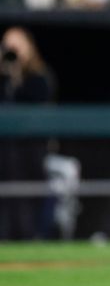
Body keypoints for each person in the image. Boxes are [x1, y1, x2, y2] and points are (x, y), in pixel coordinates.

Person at [0, 26, 54, 239]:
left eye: (17, 44)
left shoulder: (39, 76)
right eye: (8, 45)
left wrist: (17, 75)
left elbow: (38, 99)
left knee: (29, 199)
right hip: (4, 153)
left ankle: (32, 237)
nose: (12, 50)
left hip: (30, 151)